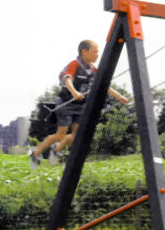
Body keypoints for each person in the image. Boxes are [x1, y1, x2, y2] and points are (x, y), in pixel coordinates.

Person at [28, 40, 128, 169]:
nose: (97, 55)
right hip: (66, 103)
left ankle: (56, 150)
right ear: (84, 52)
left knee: (76, 135)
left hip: (80, 105)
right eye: (95, 51)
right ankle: (35, 153)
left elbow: (105, 85)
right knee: (61, 134)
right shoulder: (74, 65)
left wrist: (120, 97)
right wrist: (74, 92)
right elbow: (68, 79)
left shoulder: (93, 69)